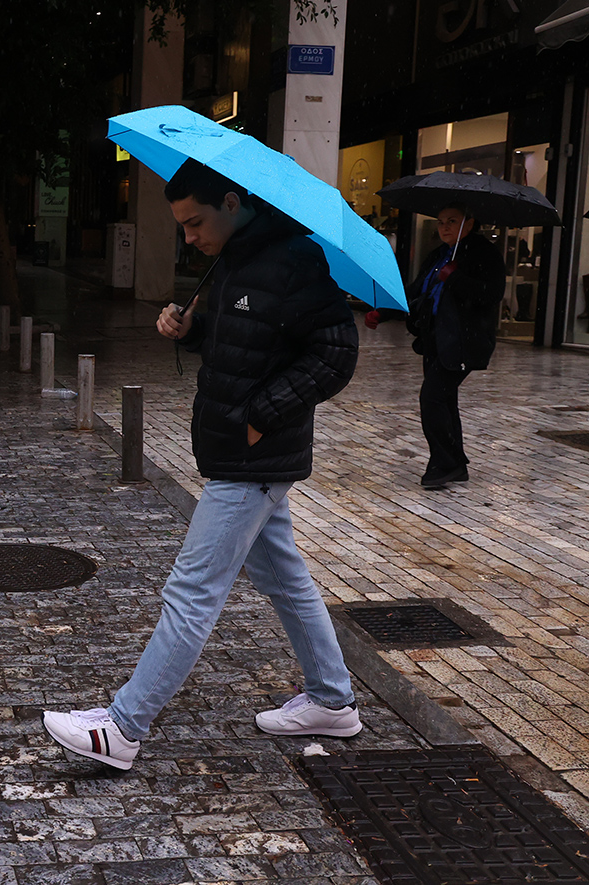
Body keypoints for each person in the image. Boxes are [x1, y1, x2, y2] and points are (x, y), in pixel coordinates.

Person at [41, 158, 362, 770]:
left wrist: (262, 413)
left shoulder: (293, 259)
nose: (189, 237)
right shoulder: (235, 260)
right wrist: (190, 329)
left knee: (191, 591)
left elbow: (337, 351)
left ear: (234, 203)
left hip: (254, 456)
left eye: (195, 223)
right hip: (238, 451)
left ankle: (124, 728)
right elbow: (249, 338)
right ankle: (332, 700)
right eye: (182, 227)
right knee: (283, 579)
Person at [404, 204, 504, 489]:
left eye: (452, 221)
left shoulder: (484, 254)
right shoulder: (439, 254)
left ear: (470, 223)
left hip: (464, 341)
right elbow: (417, 290)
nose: (444, 227)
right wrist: (385, 312)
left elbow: (492, 293)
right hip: (434, 338)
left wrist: (456, 277)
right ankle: (455, 464)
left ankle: (444, 462)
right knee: (444, 399)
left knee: (433, 397)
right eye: (440, 222)